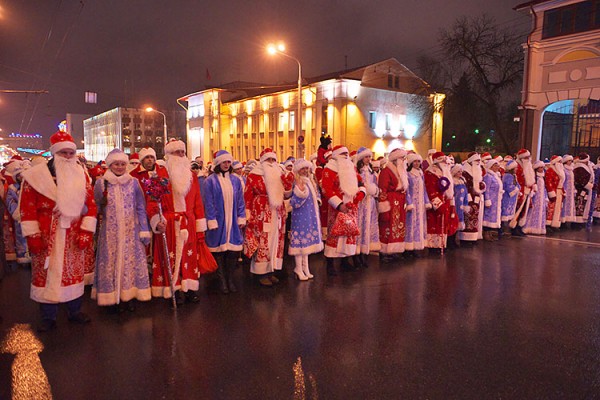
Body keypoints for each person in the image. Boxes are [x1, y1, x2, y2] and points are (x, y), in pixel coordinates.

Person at [20, 130, 97, 331]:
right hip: (46, 235)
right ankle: (48, 317)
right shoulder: (35, 177)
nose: (68, 157)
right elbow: (27, 208)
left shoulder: (81, 175)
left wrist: (86, 231)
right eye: (64, 153)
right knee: (46, 275)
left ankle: (74, 311)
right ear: (55, 153)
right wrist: (33, 236)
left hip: (73, 235)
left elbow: (91, 205)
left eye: (71, 153)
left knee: (74, 275)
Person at [147, 139, 207, 304]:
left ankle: (189, 289)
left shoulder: (192, 177)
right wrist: (156, 220)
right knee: (170, 258)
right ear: (168, 155)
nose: (180, 155)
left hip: (189, 223)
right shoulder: (159, 177)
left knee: (189, 257)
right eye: (176, 153)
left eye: (182, 152)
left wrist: (200, 225)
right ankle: (174, 289)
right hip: (168, 223)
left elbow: (198, 202)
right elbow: (152, 202)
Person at [92, 149, 151, 310]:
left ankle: (128, 296)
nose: (119, 167)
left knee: (129, 263)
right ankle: (110, 297)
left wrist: (144, 229)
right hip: (109, 232)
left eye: (122, 164)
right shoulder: (102, 183)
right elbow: (96, 205)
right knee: (110, 263)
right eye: (116, 164)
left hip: (130, 231)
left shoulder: (133, 183)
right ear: (110, 165)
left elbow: (140, 206)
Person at [244, 148, 293, 286]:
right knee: (262, 242)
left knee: (275, 241)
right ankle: (260, 273)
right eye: (268, 160)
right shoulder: (254, 175)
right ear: (263, 161)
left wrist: (288, 186)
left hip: (277, 213)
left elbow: (286, 195)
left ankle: (272, 270)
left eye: (273, 160)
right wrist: (248, 214)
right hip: (261, 212)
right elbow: (247, 195)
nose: (271, 163)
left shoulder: (280, 174)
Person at [202, 150, 246, 294]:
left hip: (232, 221)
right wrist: (212, 220)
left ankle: (230, 279)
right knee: (219, 252)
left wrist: (241, 217)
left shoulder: (235, 180)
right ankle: (222, 281)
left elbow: (240, 201)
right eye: (224, 162)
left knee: (232, 252)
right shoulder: (210, 181)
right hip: (218, 221)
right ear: (218, 163)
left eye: (229, 162)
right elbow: (208, 202)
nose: (227, 165)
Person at [321, 145, 365, 275]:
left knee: (348, 233)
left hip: (351, 206)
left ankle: (345, 260)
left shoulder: (351, 168)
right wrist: (339, 204)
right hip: (338, 207)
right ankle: (330, 263)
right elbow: (326, 189)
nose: (346, 156)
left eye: (347, 154)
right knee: (334, 234)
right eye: (343, 154)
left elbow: (361, 183)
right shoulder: (329, 169)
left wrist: (359, 195)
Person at [288, 159, 323, 280]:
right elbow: (294, 201)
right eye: (302, 168)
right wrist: (300, 192)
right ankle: (298, 267)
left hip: (310, 215)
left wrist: (317, 200)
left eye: (306, 168)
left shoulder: (310, 181)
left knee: (307, 243)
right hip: (300, 216)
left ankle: (305, 267)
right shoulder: (296, 182)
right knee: (300, 242)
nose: (305, 171)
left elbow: (316, 193)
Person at [378, 148, 409, 262]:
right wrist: (384, 206)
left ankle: (395, 250)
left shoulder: (401, 171)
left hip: (399, 201)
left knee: (398, 226)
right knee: (388, 225)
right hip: (390, 202)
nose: (404, 160)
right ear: (395, 159)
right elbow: (382, 189)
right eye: (402, 158)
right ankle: (385, 252)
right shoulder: (386, 171)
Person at [424, 152, 458, 251]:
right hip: (436, 204)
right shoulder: (430, 173)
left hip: (446, 202)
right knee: (435, 224)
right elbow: (430, 189)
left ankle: (442, 244)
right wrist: (438, 204)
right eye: (443, 161)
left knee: (444, 224)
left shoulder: (446, 172)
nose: (445, 163)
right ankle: (434, 246)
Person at [355, 147, 380, 267]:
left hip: (370, 202)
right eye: (366, 157)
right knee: (360, 226)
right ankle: (357, 254)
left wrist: (374, 190)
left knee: (368, 227)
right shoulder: (357, 171)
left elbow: (375, 184)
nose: (368, 159)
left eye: (369, 157)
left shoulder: (370, 171)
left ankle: (365, 252)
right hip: (361, 202)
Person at [405, 153, 431, 254]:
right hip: (413, 204)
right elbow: (406, 190)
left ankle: (417, 246)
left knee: (419, 224)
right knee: (411, 224)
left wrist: (426, 201)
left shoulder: (421, 173)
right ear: (411, 163)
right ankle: (409, 247)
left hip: (420, 204)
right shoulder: (408, 174)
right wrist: (409, 202)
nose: (417, 163)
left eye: (418, 161)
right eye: (415, 161)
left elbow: (424, 188)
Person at [459, 152, 485, 243]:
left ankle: (473, 236)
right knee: (468, 215)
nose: (478, 162)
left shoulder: (477, 170)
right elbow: (465, 185)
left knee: (475, 216)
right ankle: (465, 238)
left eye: (479, 160)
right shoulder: (465, 172)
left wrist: (482, 186)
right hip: (468, 197)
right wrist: (468, 196)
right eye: (476, 160)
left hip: (476, 197)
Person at [513, 149, 537, 235]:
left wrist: (532, 187)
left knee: (524, 210)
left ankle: (520, 227)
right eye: (526, 157)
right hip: (520, 191)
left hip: (528, 191)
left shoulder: (528, 166)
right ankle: (514, 227)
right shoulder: (517, 167)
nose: (528, 159)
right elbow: (517, 181)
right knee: (517, 209)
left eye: (528, 157)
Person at [523, 161, 548, 235]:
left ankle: (539, 228)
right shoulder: (534, 177)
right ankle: (530, 227)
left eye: (542, 167)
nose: (541, 169)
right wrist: (532, 193)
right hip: (535, 198)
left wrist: (546, 197)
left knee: (541, 212)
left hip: (542, 198)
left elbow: (544, 188)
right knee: (533, 211)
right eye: (540, 167)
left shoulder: (543, 177)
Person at [482, 158, 503, 241]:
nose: (497, 167)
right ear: (491, 166)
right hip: (491, 200)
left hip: (496, 200)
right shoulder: (488, 176)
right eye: (495, 165)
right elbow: (486, 189)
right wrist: (487, 199)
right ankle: (486, 233)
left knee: (492, 216)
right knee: (488, 215)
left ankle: (489, 232)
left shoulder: (495, 176)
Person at [573, 153, 595, 227]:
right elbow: (580, 180)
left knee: (583, 204)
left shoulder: (585, 167)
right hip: (580, 189)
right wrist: (589, 185)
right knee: (579, 205)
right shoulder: (579, 168)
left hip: (585, 189)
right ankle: (577, 222)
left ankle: (581, 220)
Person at [545, 155, 565, 231]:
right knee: (551, 208)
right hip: (553, 192)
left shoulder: (560, 171)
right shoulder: (550, 170)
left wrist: (563, 191)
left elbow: (561, 182)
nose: (560, 163)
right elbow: (548, 182)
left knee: (558, 209)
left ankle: (555, 223)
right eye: (559, 162)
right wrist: (551, 192)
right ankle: (548, 224)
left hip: (559, 191)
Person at [501, 160, 520, 236]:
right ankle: (504, 229)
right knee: (505, 213)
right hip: (507, 197)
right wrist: (516, 189)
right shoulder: (507, 176)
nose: (516, 169)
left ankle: (507, 229)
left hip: (512, 197)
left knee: (510, 213)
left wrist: (518, 188)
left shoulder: (513, 176)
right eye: (515, 168)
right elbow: (509, 186)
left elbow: (517, 185)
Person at [561, 155, 576, 225]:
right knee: (564, 204)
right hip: (566, 189)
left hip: (571, 190)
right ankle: (563, 220)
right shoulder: (564, 169)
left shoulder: (571, 169)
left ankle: (568, 219)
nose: (570, 162)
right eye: (569, 161)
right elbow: (563, 180)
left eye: (571, 161)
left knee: (570, 204)